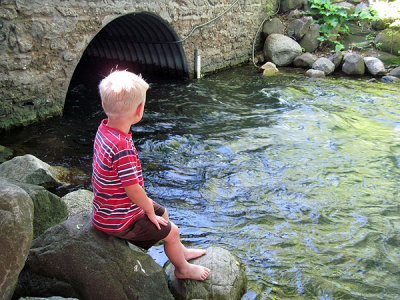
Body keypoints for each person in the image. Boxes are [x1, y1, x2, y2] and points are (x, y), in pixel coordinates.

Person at [91, 70, 210, 281]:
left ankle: (179, 250)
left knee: (162, 212)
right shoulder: (122, 147)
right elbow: (132, 189)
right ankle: (182, 268)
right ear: (139, 110)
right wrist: (147, 210)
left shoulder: (104, 130)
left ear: (103, 105)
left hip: (106, 207)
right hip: (118, 219)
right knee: (171, 231)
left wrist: (151, 209)